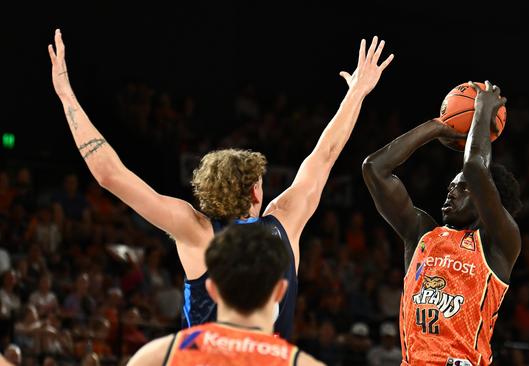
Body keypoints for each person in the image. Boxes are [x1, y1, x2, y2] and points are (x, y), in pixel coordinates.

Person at [48, 29, 393, 338]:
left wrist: (66, 96)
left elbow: (109, 174)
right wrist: (357, 93)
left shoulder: (197, 230)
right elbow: (325, 154)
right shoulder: (284, 221)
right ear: (256, 190)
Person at [362, 81, 522, 365]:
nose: (451, 190)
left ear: (486, 199)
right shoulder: (422, 234)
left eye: (462, 188)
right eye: (451, 186)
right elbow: (375, 169)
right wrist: (438, 125)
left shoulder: (499, 242)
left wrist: (482, 113)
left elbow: (474, 168)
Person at [127, 224, 323, 365]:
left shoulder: (158, 357)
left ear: (211, 289)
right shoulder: (299, 362)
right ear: (280, 292)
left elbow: (108, 176)